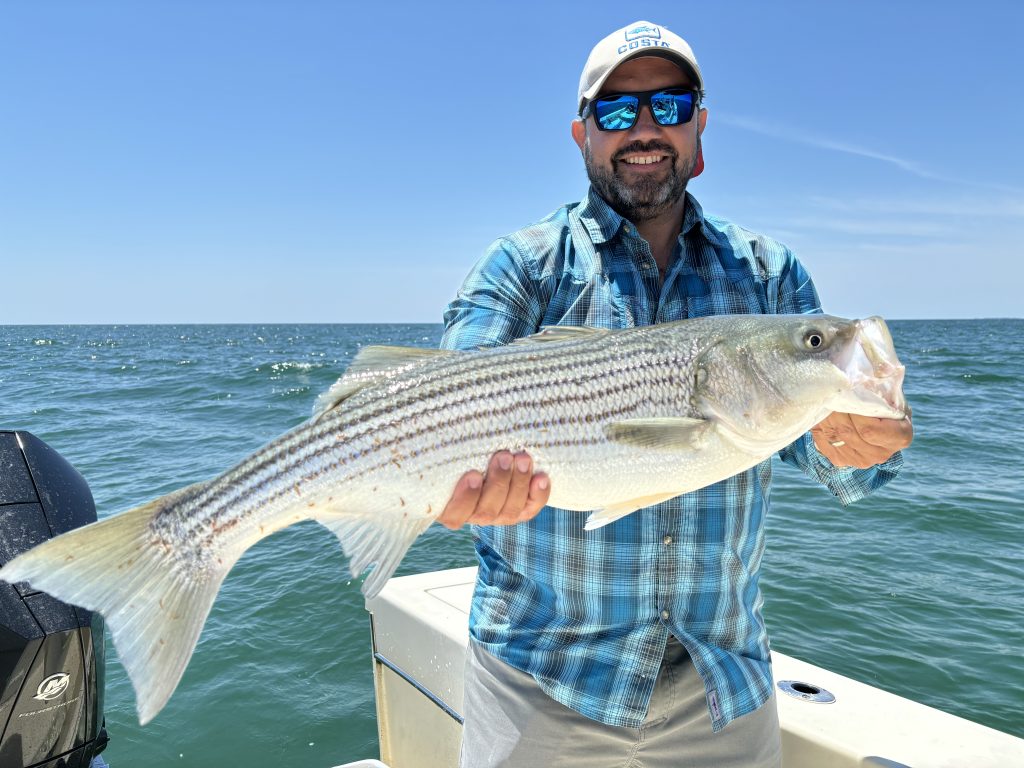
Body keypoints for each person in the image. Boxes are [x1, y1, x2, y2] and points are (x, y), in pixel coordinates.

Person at [437, 20, 913, 768]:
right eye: (616, 110)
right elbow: (442, 407)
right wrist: (451, 490)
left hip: (721, 686)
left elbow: (827, 455)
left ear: (700, 128)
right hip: (540, 682)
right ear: (582, 135)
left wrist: (860, 447)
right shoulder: (522, 266)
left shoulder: (769, 274)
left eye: (670, 103)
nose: (644, 128)